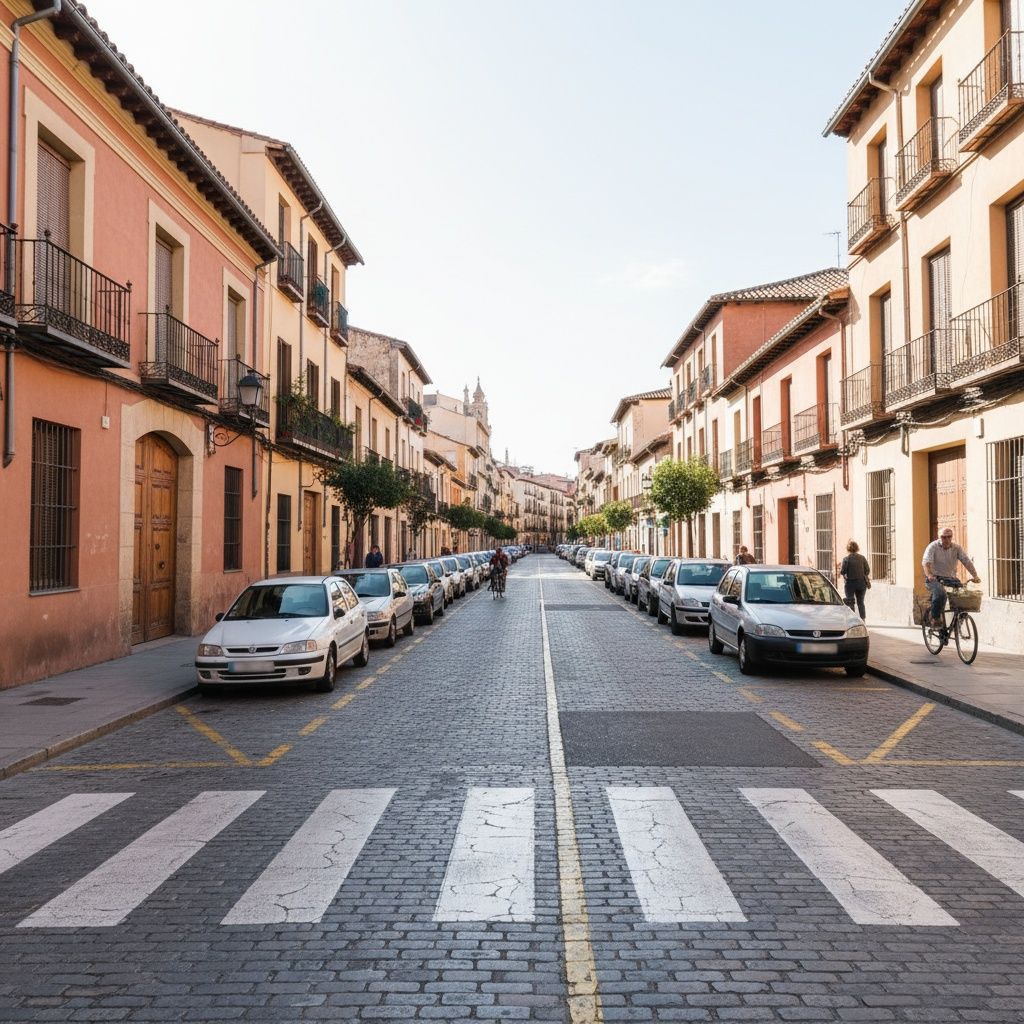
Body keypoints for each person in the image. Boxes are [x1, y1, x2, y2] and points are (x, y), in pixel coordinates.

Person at [922, 528, 980, 627]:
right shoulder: (932, 547)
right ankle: (935, 618)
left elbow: (966, 561)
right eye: (943, 537)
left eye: (949, 537)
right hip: (934, 578)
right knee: (941, 594)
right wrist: (930, 575)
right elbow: (926, 563)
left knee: (964, 597)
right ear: (939, 537)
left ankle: (958, 622)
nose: (947, 539)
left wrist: (975, 575)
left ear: (952, 537)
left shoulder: (956, 548)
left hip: (950, 578)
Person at [839, 539, 871, 619]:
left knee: (850, 603)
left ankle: (852, 620)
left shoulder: (846, 559)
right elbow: (867, 570)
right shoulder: (862, 558)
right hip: (861, 584)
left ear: (848, 549)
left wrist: (842, 570)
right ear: (857, 548)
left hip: (850, 584)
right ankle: (863, 620)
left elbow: (843, 572)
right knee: (861, 602)